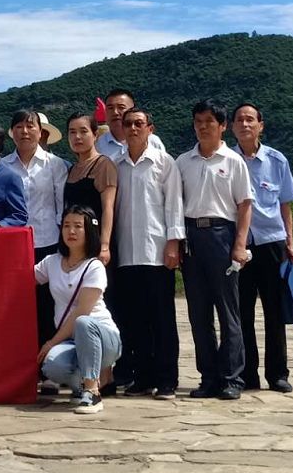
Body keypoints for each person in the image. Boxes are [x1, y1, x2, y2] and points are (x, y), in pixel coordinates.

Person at [176, 99, 254, 400]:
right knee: (199, 313)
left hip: (223, 236)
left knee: (228, 312)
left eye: (209, 121)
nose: (203, 126)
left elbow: (245, 205)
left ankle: (232, 378)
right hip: (192, 236)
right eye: (198, 121)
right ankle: (208, 377)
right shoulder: (183, 162)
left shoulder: (233, 161)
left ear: (222, 126)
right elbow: (175, 206)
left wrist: (239, 245)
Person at [113, 107, 184, 400]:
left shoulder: (164, 162)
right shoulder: (115, 165)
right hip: (126, 254)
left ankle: (167, 379)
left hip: (156, 253)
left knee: (162, 320)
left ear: (150, 128)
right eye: (128, 124)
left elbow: (174, 204)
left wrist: (174, 242)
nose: (132, 129)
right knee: (134, 320)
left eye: (138, 124)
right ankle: (142, 377)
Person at [232, 102, 293, 393]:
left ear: (261, 125)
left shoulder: (277, 160)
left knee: (274, 312)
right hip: (239, 246)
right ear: (232, 126)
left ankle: (278, 374)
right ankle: (248, 375)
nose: (245, 124)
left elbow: (285, 205)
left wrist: (290, 243)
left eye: (250, 120)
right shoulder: (227, 159)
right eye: (239, 120)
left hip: (272, 243)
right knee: (242, 313)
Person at [36, 205, 122, 415]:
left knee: (83, 322)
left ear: (89, 230)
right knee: (51, 366)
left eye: (77, 226)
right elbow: (19, 275)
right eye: (66, 226)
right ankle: (85, 383)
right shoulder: (52, 262)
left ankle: (93, 392)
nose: (71, 231)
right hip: (72, 342)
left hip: (103, 338)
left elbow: (81, 313)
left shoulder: (94, 267)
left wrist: (51, 342)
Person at [2, 109, 67, 352]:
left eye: (31, 126)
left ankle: (49, 366)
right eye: (19, 126)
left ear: (41, 132)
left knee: (47, 305)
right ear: (12, 133)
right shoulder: (4, 166)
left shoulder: (55, 165)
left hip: (47, 242)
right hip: (13, 245)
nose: (25, 131)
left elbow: (61, 206)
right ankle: (21, 363)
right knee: (16, 305)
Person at [64, 113, 118, 266]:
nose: (77, 137)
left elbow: (108, 208)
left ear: (95, 135)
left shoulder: (104, 165)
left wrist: (105, 245)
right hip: (75, 245)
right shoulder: (71, 168)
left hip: (96, 243)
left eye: (83, 131)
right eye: (72, 132)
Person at [96, 88, 166, 162]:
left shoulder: (152, 141)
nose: (115, 112)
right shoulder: (98, 145)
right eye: (110, 108)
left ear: (132, 110)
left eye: (121, 107)